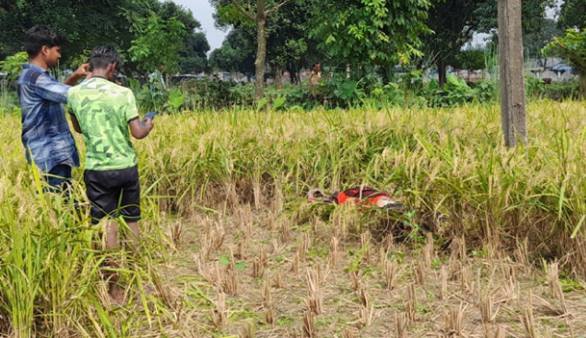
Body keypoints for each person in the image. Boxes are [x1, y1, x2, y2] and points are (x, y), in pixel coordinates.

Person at [68, 46, 153, 250]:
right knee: (132, 218)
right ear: (112, 66)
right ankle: (136, 264)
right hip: (125, 166)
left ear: (90, 65)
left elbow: (78, 128)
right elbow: (138, 132)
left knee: (107, 221)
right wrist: (148, 124)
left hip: (97, 169)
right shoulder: (123, 93)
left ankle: (113, 273)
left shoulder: (73, 93)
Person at [17, 25, 89, 192]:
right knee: (59, 208)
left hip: (51, 155)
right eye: (57, 50)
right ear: (45, 50)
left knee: (62, 205)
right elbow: (70, 95)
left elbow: (55, 93)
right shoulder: (35, 78)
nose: (59, 55)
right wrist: (99, 82)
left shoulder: (36, 77)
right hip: (50, 155)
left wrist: (75, 76)